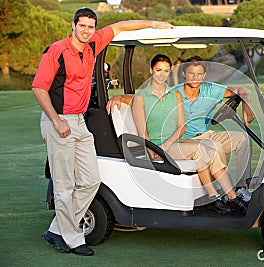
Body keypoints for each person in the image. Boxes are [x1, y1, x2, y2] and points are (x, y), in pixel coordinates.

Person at [32, 8, 173, 256]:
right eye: (82, 26)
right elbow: (39, 87)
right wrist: (56, 121)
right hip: (60, 122)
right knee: (64, 185)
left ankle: (57, 229)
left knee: (90, 181)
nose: (86, 30)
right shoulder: (57, 50)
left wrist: (153, 22)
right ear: (73, 25)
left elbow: (120, 26)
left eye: (90, 26)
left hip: (79, 121)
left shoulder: (92, 45)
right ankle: (73, 239)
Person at [114, 54, 248, 214]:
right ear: (151, 70)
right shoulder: (143, 97)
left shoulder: (173, 95)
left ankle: (233, 193)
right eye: (158, 70)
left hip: (174, 143)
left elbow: (181, 126)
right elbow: (142, 127)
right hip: (157, 147)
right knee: (207, 148)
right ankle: (221, 197)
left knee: (219, 144)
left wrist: (168, 143)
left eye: (165, 71)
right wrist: (118, 97)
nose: (161, 75)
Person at [172, 56, 254, 199]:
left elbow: (244, 90)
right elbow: (148, 99)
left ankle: (241, 187)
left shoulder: (210, 90)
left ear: (204, 75)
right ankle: (226, 193)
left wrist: (246, 106)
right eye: (191, 73)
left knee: (243, 139)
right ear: (184, 73)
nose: (195, 78)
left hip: (206, 135)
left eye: (199, 74)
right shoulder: (174, 93)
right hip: (184, 140)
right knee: (213, 146)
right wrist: (121, 98)